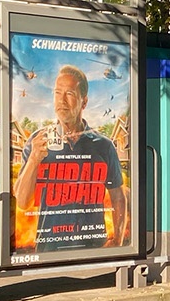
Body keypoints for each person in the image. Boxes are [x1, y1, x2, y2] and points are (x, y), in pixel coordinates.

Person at [13, 64, 128, 250]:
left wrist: (117, 240)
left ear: (84, 102)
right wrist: (34, 159)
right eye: (57, 93)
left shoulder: (104, 145)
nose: (62, 100)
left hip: (94, 247)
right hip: (49, 249)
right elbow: (22, 202)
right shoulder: (37, 142)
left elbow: (118, 196)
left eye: (69, 94)